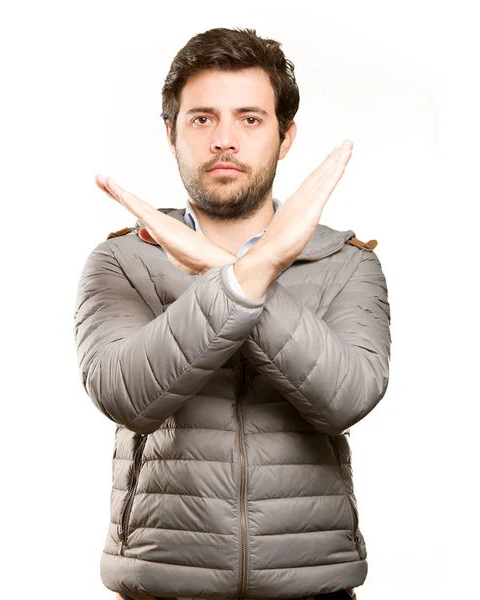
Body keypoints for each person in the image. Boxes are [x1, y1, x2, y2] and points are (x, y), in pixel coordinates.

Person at [74, 27, 392, 600]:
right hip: (160, 585)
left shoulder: (347, 263)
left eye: (249, 118)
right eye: (202, 119)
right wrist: (254, 268)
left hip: (315, 584)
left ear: (285, 135)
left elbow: (348, 397)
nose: (224, 139)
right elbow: (125, 395)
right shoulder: (122, 259)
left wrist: (231, 273)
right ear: (170, 132)